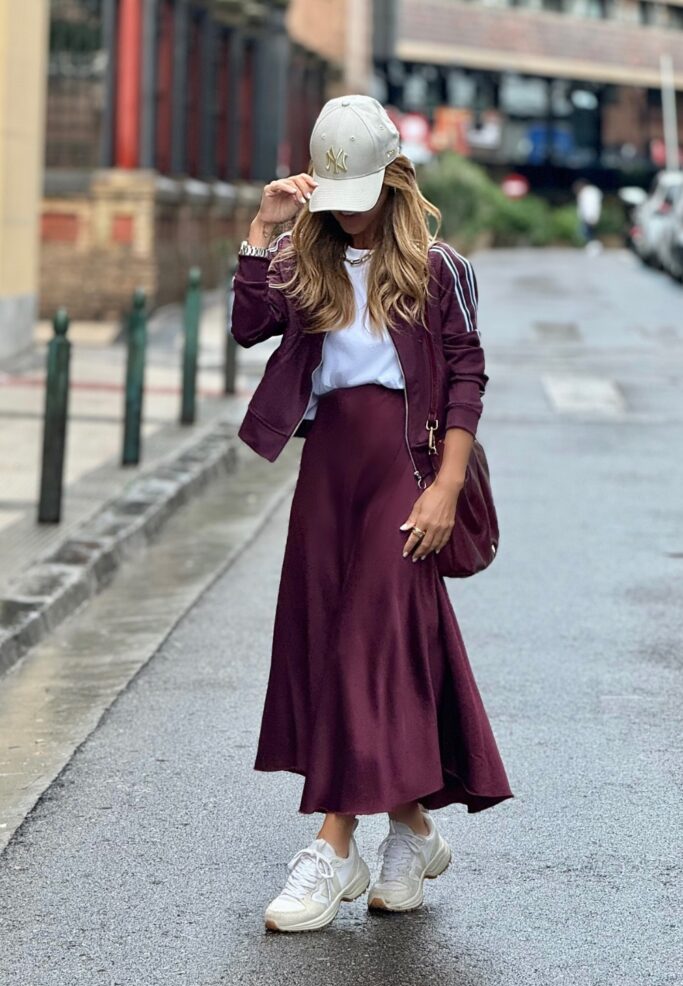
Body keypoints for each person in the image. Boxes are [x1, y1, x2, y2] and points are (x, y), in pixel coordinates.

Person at [231, 94, 514, 934]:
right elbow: (250, 325)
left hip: (405, 463)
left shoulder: (436, 268)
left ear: (395, 184)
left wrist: (445, 486)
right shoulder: (302, 256)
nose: (349, 223)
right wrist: (263, 225)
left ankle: (331, 845)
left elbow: (466, 376)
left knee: (366, 637)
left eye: (361, 205)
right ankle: (412, 830)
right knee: (338, 639)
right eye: (336, 205)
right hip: (329, 470)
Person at [574, 178, 603, 253]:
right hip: (591, 216)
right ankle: (593, 247)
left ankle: (594, 248)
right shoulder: (592, 192)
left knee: (590, 233)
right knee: (589, 233)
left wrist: (591, 216)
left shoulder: (587, 193)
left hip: (589, 216)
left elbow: (588, 206)